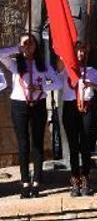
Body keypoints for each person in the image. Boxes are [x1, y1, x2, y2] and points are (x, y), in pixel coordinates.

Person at [0, 34, 61, 198]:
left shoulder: (43, 65)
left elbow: (58, 82)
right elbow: (0, 54)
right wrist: (17, 49)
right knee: (23, 143)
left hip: (39, 104)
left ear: (36, 45)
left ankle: (36, 182)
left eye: (31, 42)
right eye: (24, 43)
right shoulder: (15, 65)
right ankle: (25, 182)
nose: (28, 45)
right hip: (19, 105)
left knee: (37, 143)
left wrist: (41, 88)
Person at [60, 42, 97, 197]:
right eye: (78, 52)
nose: (80, 55)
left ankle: (85, 178)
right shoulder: (66, 69)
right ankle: (75, 179)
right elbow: (57, 67)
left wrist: (91, 84)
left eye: (83, 52)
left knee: (85, 146)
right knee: (73, 146)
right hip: (70, 107)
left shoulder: (91, 71)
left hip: (86, 108)